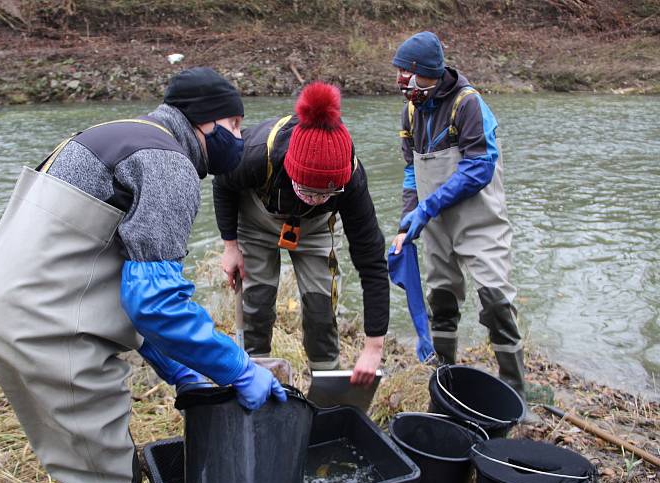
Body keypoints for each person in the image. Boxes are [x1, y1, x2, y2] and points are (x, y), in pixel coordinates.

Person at [0, 67, 286, 483]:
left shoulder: (110, 135)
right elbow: (155, 303)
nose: (239, 139)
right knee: (100, 465)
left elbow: (107, 275)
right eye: (235, 127)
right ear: (204, 122)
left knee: (76, 443)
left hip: (3, 302)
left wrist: (181, 368)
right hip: (49, 322)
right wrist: (235, 367)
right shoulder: (168, 163)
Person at [213, 82, 389, 385]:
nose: (318, 198)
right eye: (308, 190)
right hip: (257, 217)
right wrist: (230, 245)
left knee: (321, 309)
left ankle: (326, 381)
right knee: (257, 303)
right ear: (292, 169)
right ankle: (256, 377)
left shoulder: (352, 181)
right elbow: (222, 184)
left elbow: (372, 261)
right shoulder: (256, 154)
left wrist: (374, 346)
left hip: (316, 229)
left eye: (327, 193)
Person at [390, 32, 530, 404]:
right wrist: (409, 216)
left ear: (430, 73)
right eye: (399, 72)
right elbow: (410, 169)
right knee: (442, 300)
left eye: (408, 72)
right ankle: (444, 381)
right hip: (434, 225)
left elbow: (479, 169)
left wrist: (427, 206)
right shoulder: (410, 111)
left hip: (479, 222)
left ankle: (515, 391)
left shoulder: (468, 104)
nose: (402, 80)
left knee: (496, 299)